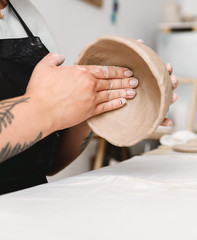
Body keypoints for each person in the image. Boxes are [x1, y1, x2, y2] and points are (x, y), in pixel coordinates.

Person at [0, 0, 178, 194]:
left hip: (32, 204)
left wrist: (96, 104)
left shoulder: (26, 14)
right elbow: (45, 108)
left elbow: (49, 164)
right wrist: (41, 107)